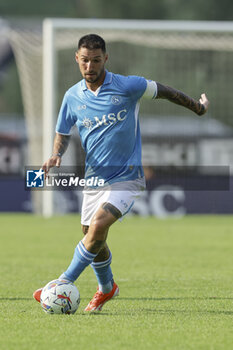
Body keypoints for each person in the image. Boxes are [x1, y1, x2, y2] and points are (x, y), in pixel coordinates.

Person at [33, 34, 209, 311]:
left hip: (127, 177)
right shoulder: (72, 96)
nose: (90, 66)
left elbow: (165, 91)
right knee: (91, 236)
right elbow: (63, 132)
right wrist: (56, 154)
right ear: (76, 60)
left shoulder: (128, 86)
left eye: (95, 60)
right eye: (84, 60)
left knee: (99, 227)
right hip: (94, 179)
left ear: (106, 58)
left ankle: (60, 283)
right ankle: (107, 288)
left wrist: (197, 107)